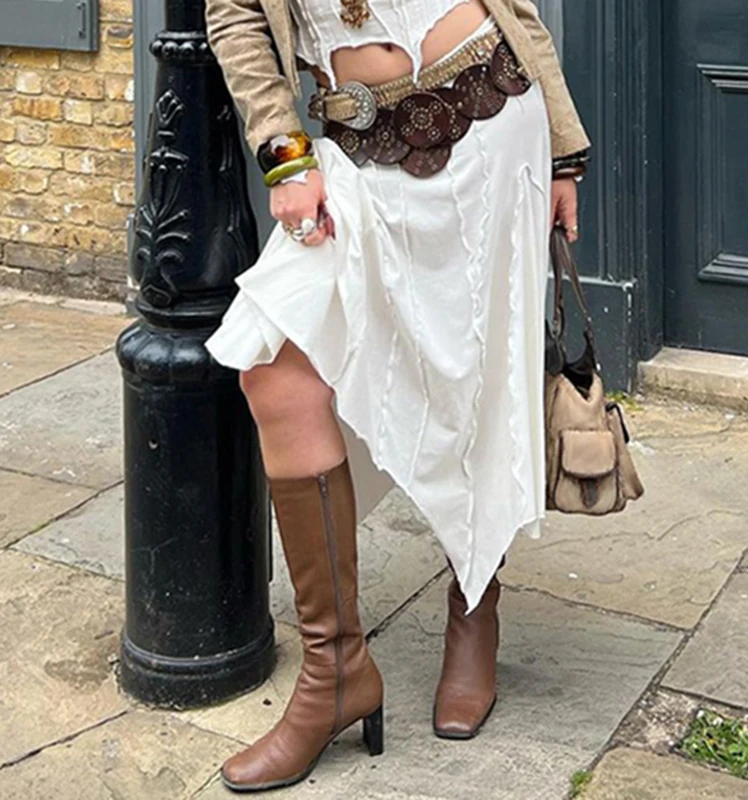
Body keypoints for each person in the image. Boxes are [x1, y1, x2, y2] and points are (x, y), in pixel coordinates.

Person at [204, 0, 590, 792]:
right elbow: (236, 16)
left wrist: (562, 152)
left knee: (480, 385)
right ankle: (336, 669)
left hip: (490, 120)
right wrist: (284, 155)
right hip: (351, 149)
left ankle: (474, 602)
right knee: (275, 372)